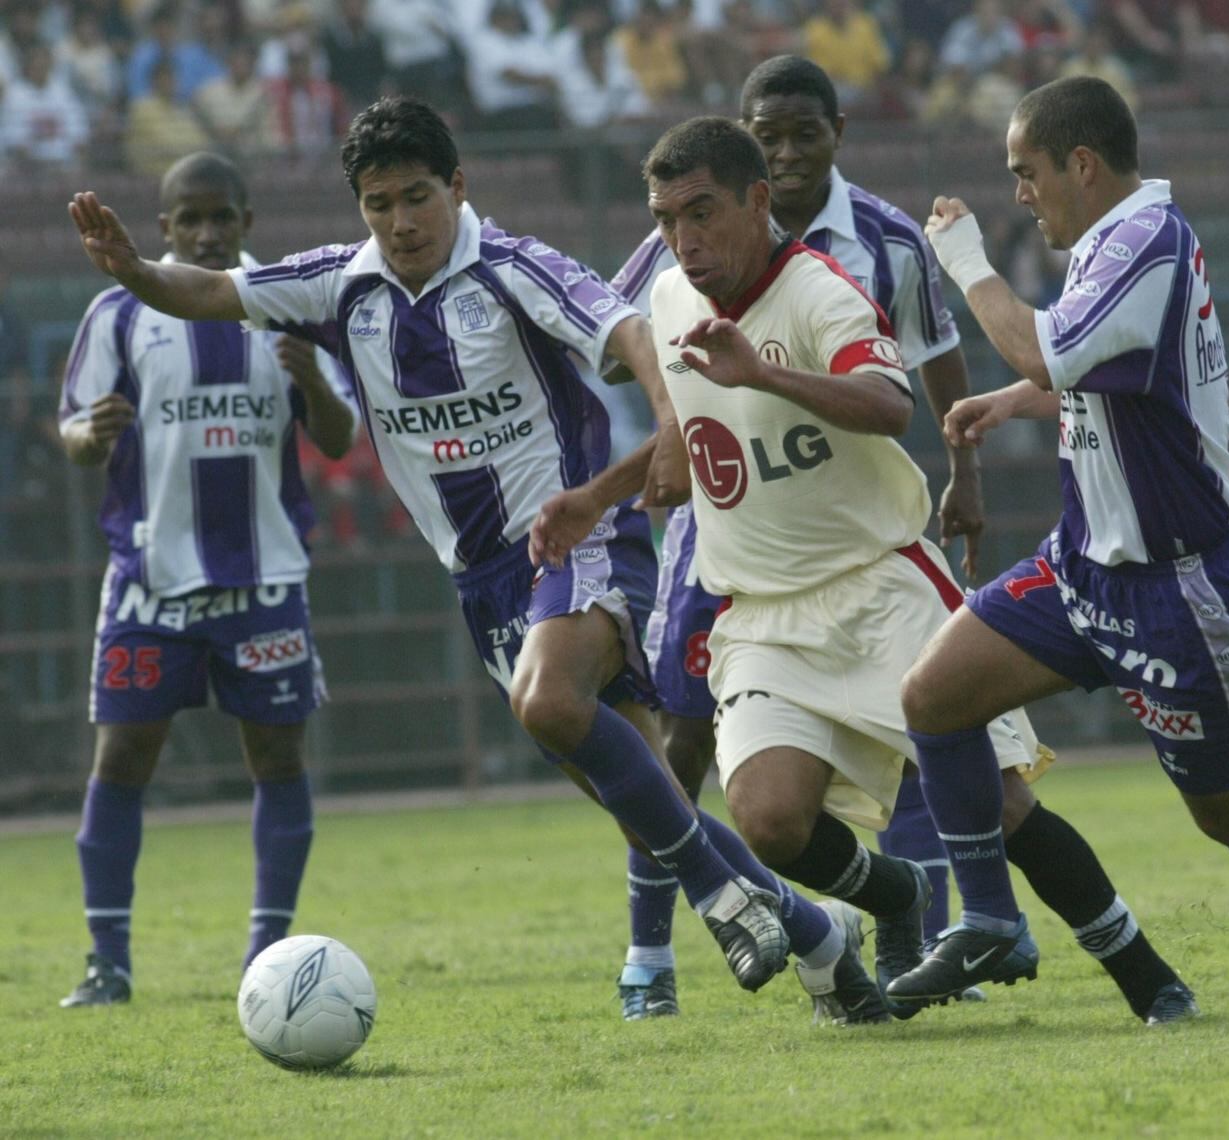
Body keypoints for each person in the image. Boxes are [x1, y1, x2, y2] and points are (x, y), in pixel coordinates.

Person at [68, 97, 866, 1021]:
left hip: (577, 538)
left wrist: (677, 426)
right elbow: (212, 292)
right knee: (632, 792)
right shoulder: (341, 285)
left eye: (416, 197)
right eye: (377, 203)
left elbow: (634, 335)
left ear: (457, 186)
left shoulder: (513, 269)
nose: (400, 223)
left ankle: (715, 897)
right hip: (482, 579)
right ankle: (817, 938)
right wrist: (132, 269)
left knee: (553, 701)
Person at [571, 109, 1194, 1029]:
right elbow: (688, 430)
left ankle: (1145, 972)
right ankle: (898, 898)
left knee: (1005, 807)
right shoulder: (667, 299)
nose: (682, 240)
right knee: (769, 819)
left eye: (700, 214)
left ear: (754, 200)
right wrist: (594, 497)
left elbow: (887, 403)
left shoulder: (819, 291)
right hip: (763, 612)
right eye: (666, 220)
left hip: (878, 588)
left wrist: (766, 377)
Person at [890, 76, 1229, 1017]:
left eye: (1026, 172)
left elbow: (1046, 351)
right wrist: (1022, 401)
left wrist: (966, 261)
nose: (1019, 192)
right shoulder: (1120, 242)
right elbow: (1102, 373)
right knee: (932, 697)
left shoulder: (1145, 238)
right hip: (1084, 567)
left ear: (1082, 164)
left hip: (1182, 588)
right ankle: (988, 919)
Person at [606, 54, 991, 1021]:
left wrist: (965, 473)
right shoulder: (678, 250)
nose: (784, 153)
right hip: (725, 536)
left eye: (801, 134)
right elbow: (630, 346)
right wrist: (659, 435)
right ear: (744, 144)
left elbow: (935, 367)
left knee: (919, 738)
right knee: (684, 738)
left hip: (850, 542)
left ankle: (943, 925)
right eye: (766, 135)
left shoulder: (884, 242)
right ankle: (650, 954)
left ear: (836, 136)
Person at [55, 152, 358, 1007]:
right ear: (164, 229)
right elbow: (74, 434)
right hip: (150, 582)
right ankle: (107, 961)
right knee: (121, 759)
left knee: (276, 755)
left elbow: (336, 438)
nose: (206, 231)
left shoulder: (288, 308)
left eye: (220, 215)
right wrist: (90, 434)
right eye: (189, 218)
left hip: (263, 580)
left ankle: (265, 956)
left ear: (248, 220)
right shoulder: (118, 312)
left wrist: (312, 386)